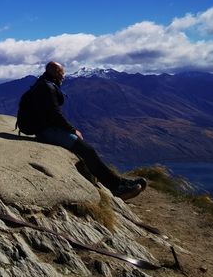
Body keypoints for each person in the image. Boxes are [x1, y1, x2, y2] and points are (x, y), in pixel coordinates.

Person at [27, 61, 147, 201]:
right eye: (62, 73)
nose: (64, 76)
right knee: (87, 151)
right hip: (46, 131)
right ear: (55, 73)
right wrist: (73, 130)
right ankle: (116, 187)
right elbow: (55, 115)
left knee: (86, 151)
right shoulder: (47, 87)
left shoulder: (43, 84)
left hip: (45, 128)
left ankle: (118, 182)